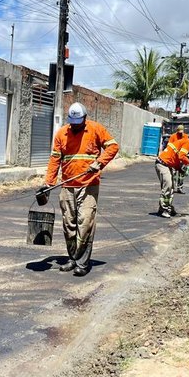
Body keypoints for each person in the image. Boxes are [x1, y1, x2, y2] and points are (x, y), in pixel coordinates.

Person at [45, 102, 119, 276]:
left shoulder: (96, 129)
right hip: (67, 186)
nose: (75, 125)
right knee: (68, 224)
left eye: (78, 122)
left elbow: (113, 146)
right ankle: (72, 258)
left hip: (88, 185)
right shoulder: (62, 133)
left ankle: (82, 263)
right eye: (73, 122)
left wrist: (99, 163)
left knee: (85, 223)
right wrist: (48, 183)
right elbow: (55, 160)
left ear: (85, 118)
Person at [157, 124, 189, 218]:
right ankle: (164, 209)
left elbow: (176, 158)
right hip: (162, 163)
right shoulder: (186, 142)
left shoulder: (184, 139)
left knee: (171, 186)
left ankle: (166, 207)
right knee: (168, 186)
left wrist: (179, 169)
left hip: (167, 164)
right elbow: (181, 156)